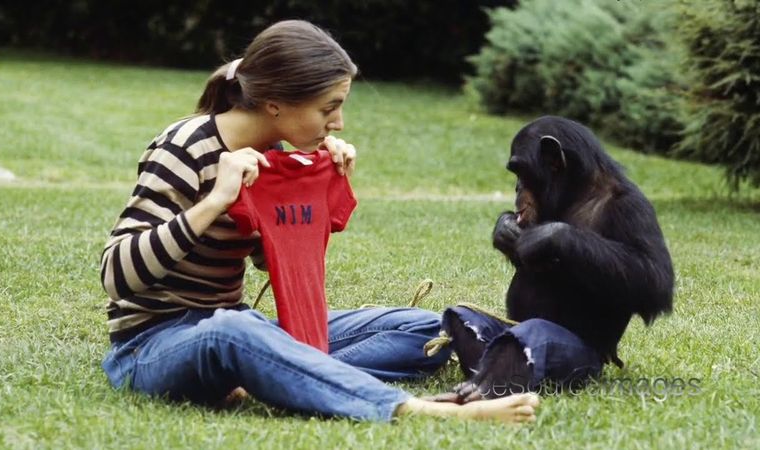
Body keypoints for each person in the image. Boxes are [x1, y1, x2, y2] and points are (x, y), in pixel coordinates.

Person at [99, 19, 539, 423]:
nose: (339, 122)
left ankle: (274, 370)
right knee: (234, 331)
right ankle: (409, 409)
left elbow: (273, 264)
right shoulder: (184, 147)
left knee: (422, 329)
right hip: (151, 347)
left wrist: (306, 190)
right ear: (275, 103)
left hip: (240, 329)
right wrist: (215, 201)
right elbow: (117, 275)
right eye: (329, 108)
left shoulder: (273, 158)